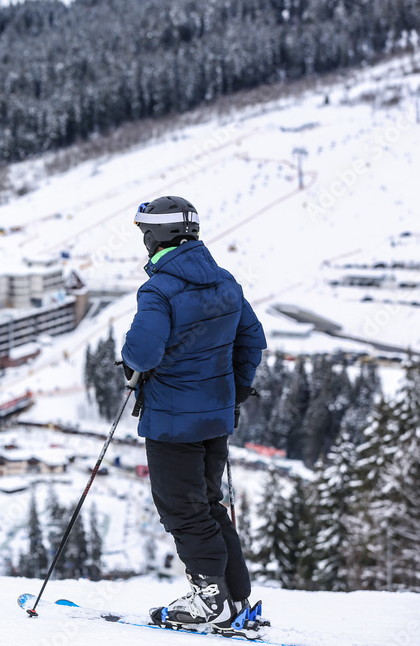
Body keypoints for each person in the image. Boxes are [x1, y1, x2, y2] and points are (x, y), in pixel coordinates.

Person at [119, 195, 266, 633]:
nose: (143, 239)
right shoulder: (225, 282)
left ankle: (209, 598)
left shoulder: (159, 289)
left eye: (144, 231)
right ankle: (237, 599)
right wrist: (234, 391)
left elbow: (142, 353)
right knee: (207, 503)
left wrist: (129, 361)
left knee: (181, 508)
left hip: (171, 420)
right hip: (215, 417)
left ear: (156, 235)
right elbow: (252, 342)